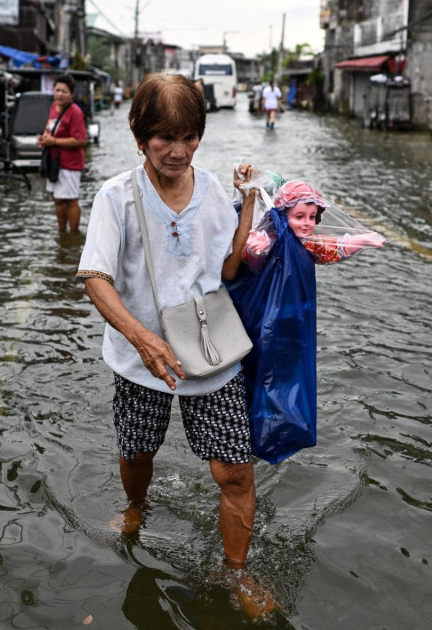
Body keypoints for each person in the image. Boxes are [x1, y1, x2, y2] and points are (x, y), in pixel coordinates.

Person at [75, 72, 272, 616]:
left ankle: (236, 571)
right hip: (141, 359)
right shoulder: (116, 197)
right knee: (137, 450)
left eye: (189, 138)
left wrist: (248, 206)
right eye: (165, 138)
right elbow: (95, 277)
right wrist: (142, 339)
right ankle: (136, 505)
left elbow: (227, 268)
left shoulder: (212, 192)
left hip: (211, 350)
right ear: (140, 136)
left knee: (235, 471)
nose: (178, 151)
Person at [243, 180, 385, 271]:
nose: (307, 223)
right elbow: (253, 263)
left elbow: (332, 248)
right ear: (281, 216)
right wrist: (259, 249)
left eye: (312, 217)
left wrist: (361, 240)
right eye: (299, 217)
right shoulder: (272, 239)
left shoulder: (308, 243)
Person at [37, 74, 88, 234]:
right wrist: (44, 138)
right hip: (54, 162)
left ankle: (73, 235)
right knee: (57, 199)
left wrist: (53, 141)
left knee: (70, 200)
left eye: (64, 91)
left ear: (71, 94)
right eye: (57, 90)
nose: (59, 94)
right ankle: (62, 232)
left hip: (69, 164)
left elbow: (81, 140)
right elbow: (51, 129)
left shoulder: (75, 112)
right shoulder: (54, 106)